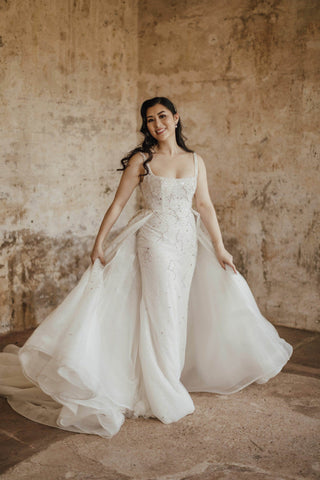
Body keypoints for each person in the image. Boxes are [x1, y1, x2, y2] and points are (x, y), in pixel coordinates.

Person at [0, 97, 293, 439]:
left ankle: (163, 378)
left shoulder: (195, 160)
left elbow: (205, 205)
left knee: (176, 311)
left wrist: (220, 247)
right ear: (146, 125)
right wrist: (99, 243)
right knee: (161, 311)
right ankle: (162, 392)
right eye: (150, 119)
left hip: (186, 243)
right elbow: (119, 203)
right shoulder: (142, 160)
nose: (157, 124)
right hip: (154, 240)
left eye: (163, 116)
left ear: (176, 118)